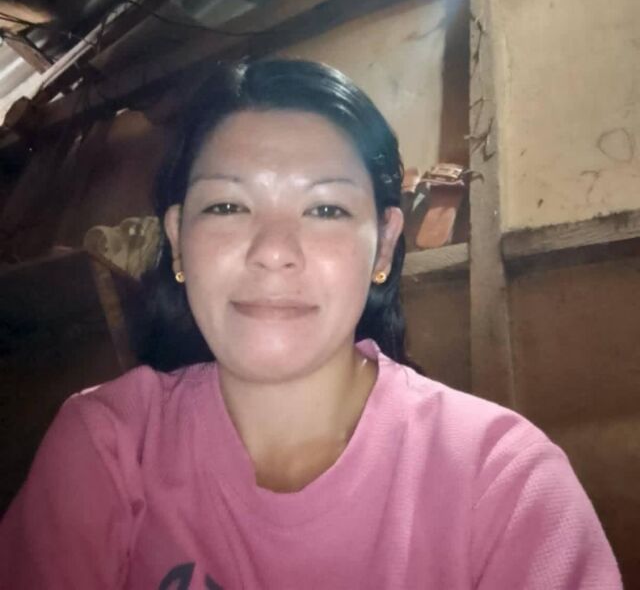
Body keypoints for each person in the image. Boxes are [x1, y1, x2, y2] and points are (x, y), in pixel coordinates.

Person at [0, 60, 621, 589]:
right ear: (179, 240)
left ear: (383, 246)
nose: (274, 250)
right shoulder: (107, 447)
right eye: (228, 205)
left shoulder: (505, 483)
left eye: (325, 209)